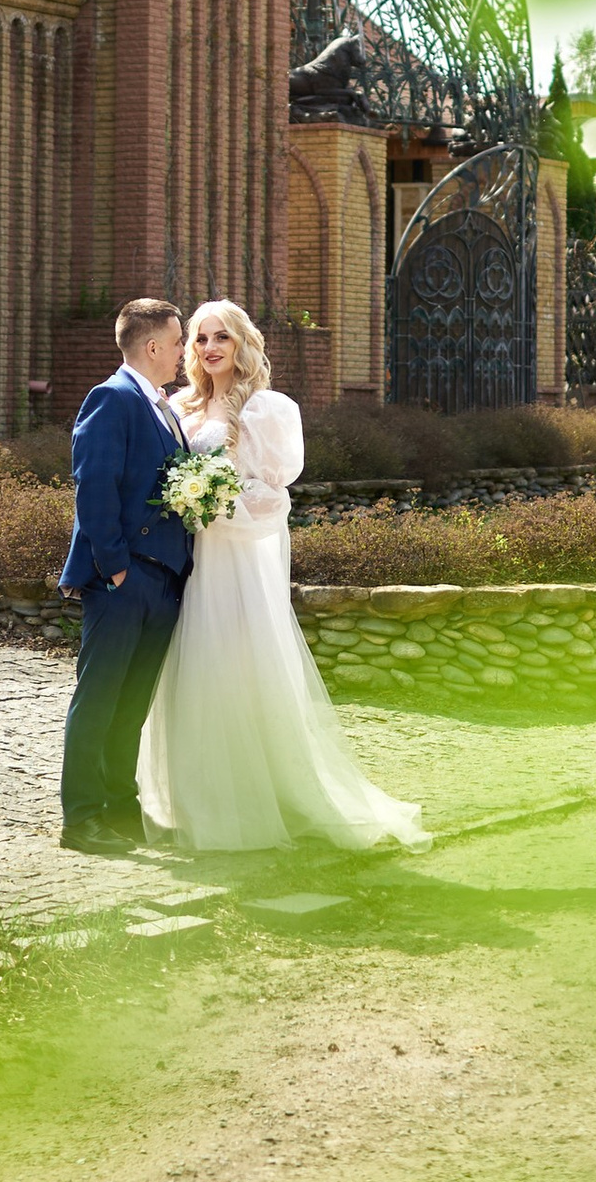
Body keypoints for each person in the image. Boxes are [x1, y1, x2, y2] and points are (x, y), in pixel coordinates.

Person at [139, 299, 425, 854]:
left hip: (236, 562)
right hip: (185, 561)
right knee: (188, 668)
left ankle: (264, 795)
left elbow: (274, 497)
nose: (210, 348)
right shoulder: (179, 406)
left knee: (238, 667)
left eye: (222, 337)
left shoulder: (268, 409)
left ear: (243, 344)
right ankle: (195, 796)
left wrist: (217, 503)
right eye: (199, 340)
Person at [58, 297, 193, 855]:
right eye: (180, 341)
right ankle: (82, 818)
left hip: (164, 580)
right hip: (124, 579)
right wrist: (114, 569)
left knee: (131, 704)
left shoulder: (162, 405)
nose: (186, 352)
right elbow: (95, 488)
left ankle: (120, 809)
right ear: (154, 345)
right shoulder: (110, 399)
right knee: (99, 700)